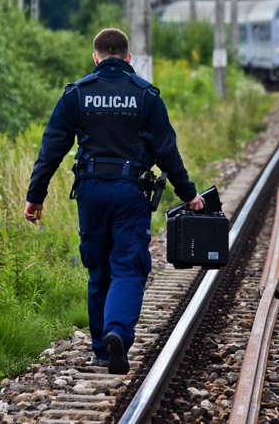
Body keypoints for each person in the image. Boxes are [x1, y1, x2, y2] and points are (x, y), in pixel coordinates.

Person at [24, 28, 204, 375]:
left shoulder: (77, 93)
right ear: (128, 57)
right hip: (130, 192)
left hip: (90, 191)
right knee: (128, 266)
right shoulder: (146, 95)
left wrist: (36, 196)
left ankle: (101, 351)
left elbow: (52, 147)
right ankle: (117, 331)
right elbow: (167, 151)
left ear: (96, 57)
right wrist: (189, 194)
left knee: (98, 267)